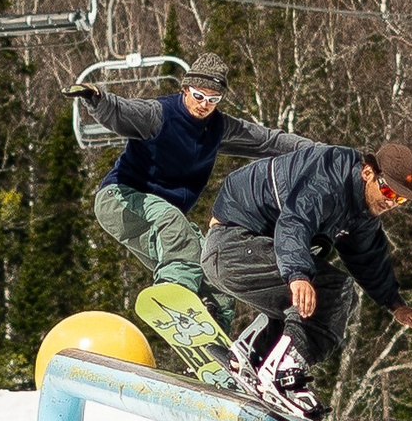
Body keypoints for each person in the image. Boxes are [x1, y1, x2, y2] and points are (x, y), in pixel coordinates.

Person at [66, 52, 317, 331]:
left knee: (210, 261)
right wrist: (96, 98)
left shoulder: (219, 128)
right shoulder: (159, 115)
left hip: (159, 215)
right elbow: (122, 112)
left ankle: (215, 337)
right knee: (174, 225)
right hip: (121, 198)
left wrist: (320, 153)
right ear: (185, 89)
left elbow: (269, 140)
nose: (204, 105)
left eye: (213, 100)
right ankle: (173, 294)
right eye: (198, 96)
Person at [201, 137, 412, 419]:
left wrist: (395, 304)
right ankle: (285, 371)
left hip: (246, 249)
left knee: (313, 292)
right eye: (387, 190)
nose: (390, 202)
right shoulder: (328, 176)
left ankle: (256, 353)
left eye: (399, 199)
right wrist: (298, 274)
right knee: (329, 289)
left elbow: (368, 258)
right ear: (368, 172)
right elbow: (294, 222)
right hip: (232, 247)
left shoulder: (361, 210)